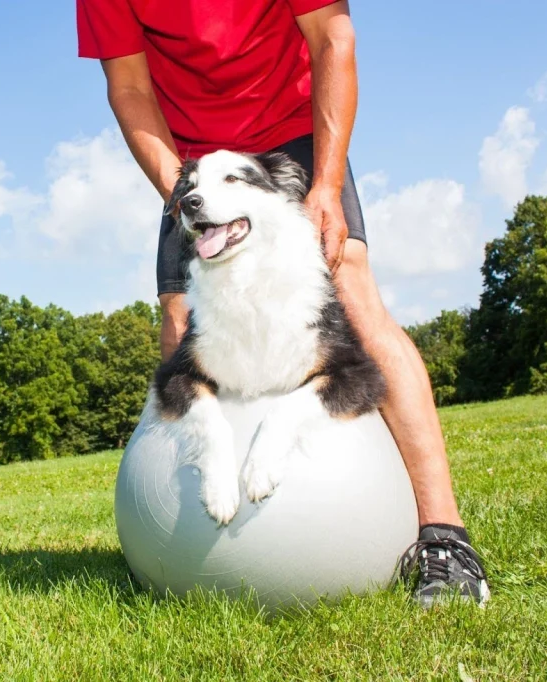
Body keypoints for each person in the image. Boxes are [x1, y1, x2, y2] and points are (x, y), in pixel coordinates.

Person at [75, 0, 489, 607]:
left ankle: (443, 538)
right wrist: (183, 192)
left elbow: (331, 38)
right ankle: (168, 546)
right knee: (180, 322)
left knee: (350, 291)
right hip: (194, 158)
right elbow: (129, 86)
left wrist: (324, 185)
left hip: (295, 132)